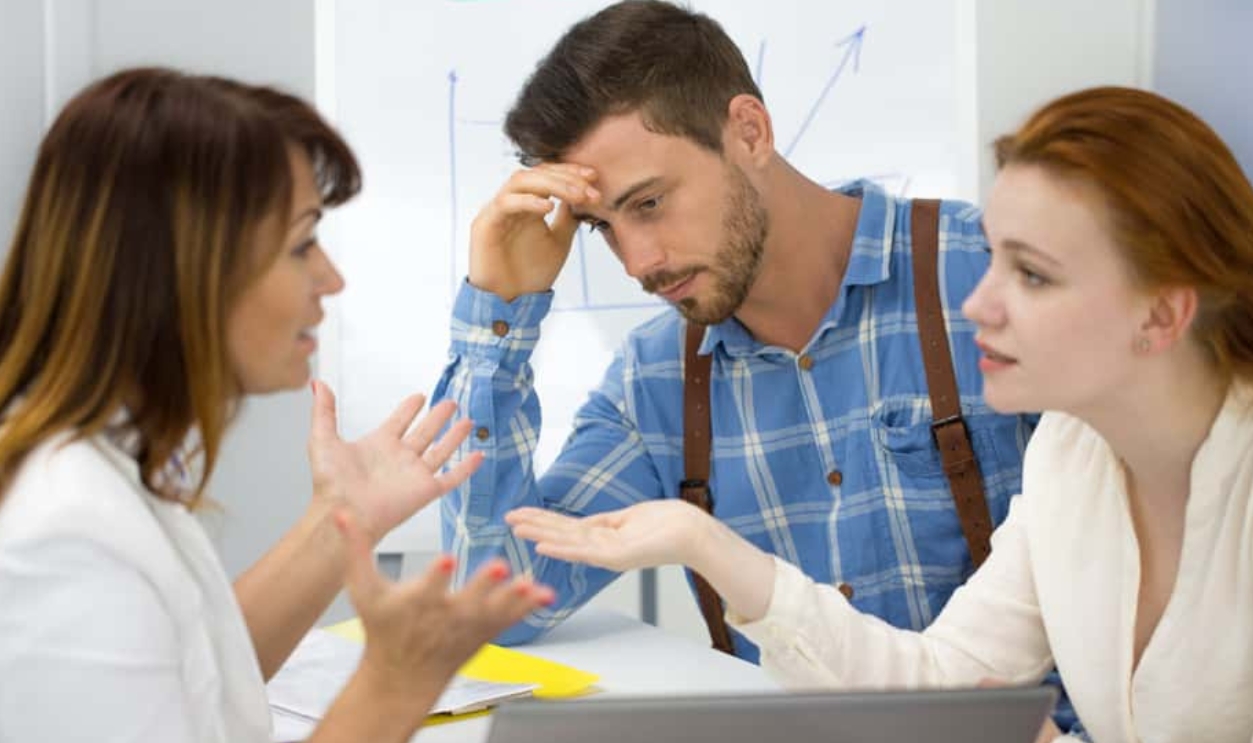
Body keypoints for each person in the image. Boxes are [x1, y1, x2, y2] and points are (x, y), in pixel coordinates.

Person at [508, 84, 1253, 743]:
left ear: (1160, 316)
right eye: (994, 258)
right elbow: (944, 676)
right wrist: (706, 545)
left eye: (1030, 274)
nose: (977, 304)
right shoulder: (1069, 456)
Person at [0, 68, 554, 743]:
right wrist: (390, 687)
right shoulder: (64, 530)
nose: (331, 278)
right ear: (184, 267)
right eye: (300, 245)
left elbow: (197, 673)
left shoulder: (97, 475)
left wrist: (340, 518)